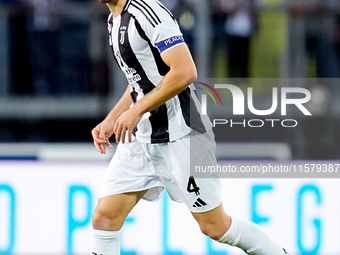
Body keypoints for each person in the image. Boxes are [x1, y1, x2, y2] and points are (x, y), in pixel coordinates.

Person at [91, 0, 290, 254]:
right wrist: (112, 118)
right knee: (104, 218)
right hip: (143, 137)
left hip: (182, 132)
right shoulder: (114, 19)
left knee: (216, 227)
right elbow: (141, 80)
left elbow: (185, 72)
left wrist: (136, 110)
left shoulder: (149, 12)